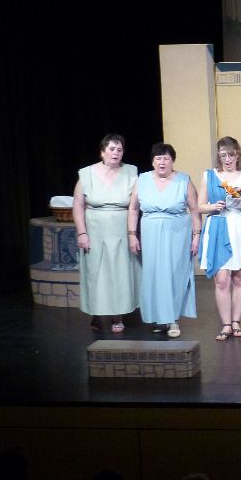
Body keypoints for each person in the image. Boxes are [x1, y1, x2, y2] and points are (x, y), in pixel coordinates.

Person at [128, 143, 200, 338]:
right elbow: (133, 208)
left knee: (174, 274)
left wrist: (196, 236)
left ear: (172, 161)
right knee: (154, 275)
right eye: (158, 158)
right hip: (150, 233)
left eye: (166, 158)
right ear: (152, 161)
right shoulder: (142, 180)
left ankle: (173, 318)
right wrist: (132, 234)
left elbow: (194, 210)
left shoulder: (183, 180)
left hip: (178, 233)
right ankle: (159, 318)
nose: (162, 162)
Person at [72, 133, 141, 334]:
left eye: (119, 149)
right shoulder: (86, 174)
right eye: (112, 149)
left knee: (119, 274)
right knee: (97, 273)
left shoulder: (131, 172)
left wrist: (132, 233)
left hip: (120, 229)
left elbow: (135, 205)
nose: (116, 153)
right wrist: (82, 233)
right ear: (102, 152)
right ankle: (97, 312)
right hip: (95, 231)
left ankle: (118, 316)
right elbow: (78, 205)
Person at [196, 136, 241, 341]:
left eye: (231, 155)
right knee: (222, 279)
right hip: (218, 225)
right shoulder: (210, 175)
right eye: (223, 155)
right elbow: (199, 206)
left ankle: (236, 322)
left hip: (239, 227)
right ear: (219, 156)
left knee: (240, 278)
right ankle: (225, 324)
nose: (227, 159)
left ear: (237, 154)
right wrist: (213, 206)